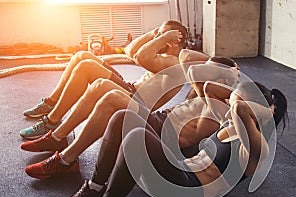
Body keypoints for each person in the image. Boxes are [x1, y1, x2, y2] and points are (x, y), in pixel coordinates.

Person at [61, 81, 288, 197]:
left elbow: (239, 110)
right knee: (123, 117)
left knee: (137, 136)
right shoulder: (228, 122)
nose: (228, 109)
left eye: (235, 104)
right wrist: (237, 94)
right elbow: (208, 87)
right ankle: (96, 186)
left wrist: (261, 109)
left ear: (259, 113)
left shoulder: (257, 151)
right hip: (176, 173)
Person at [23, 55, 240, 179]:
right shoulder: (207, 90)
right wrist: (213, 63)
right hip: (158, 122)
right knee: (104, 89)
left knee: (112, 96)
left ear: (223, 78)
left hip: (163, 137)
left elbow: (193, 72)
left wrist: (229, 73)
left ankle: (64, 158)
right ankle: (60, 139)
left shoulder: (224, 101)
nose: (202, 70)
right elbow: (186, 58)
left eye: (210, 71)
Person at [20, 20, 188, 140]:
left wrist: (162, 37)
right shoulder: (164, 56)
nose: (157, 37)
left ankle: (51, 121)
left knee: (86, 66)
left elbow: (141, 56)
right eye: (158, 34)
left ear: (174, 40)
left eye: (161, 35)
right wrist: (154, 33)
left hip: (135, 101)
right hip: (129, 88)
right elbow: (129, 51)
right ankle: (51, 103)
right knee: (82, 56)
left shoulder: (175, 63)